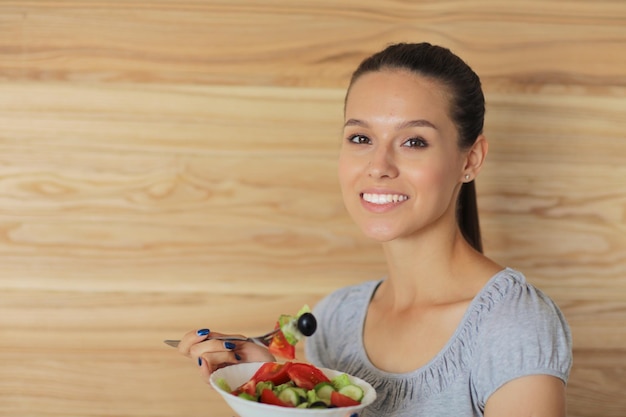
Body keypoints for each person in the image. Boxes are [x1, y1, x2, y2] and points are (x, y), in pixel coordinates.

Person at [176, 42, 573, 417]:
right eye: (361, 138)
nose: (379, 165)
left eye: (414, 141)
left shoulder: (513, 324)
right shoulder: (334, 317)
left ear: (471, 159)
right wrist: (270, 385)